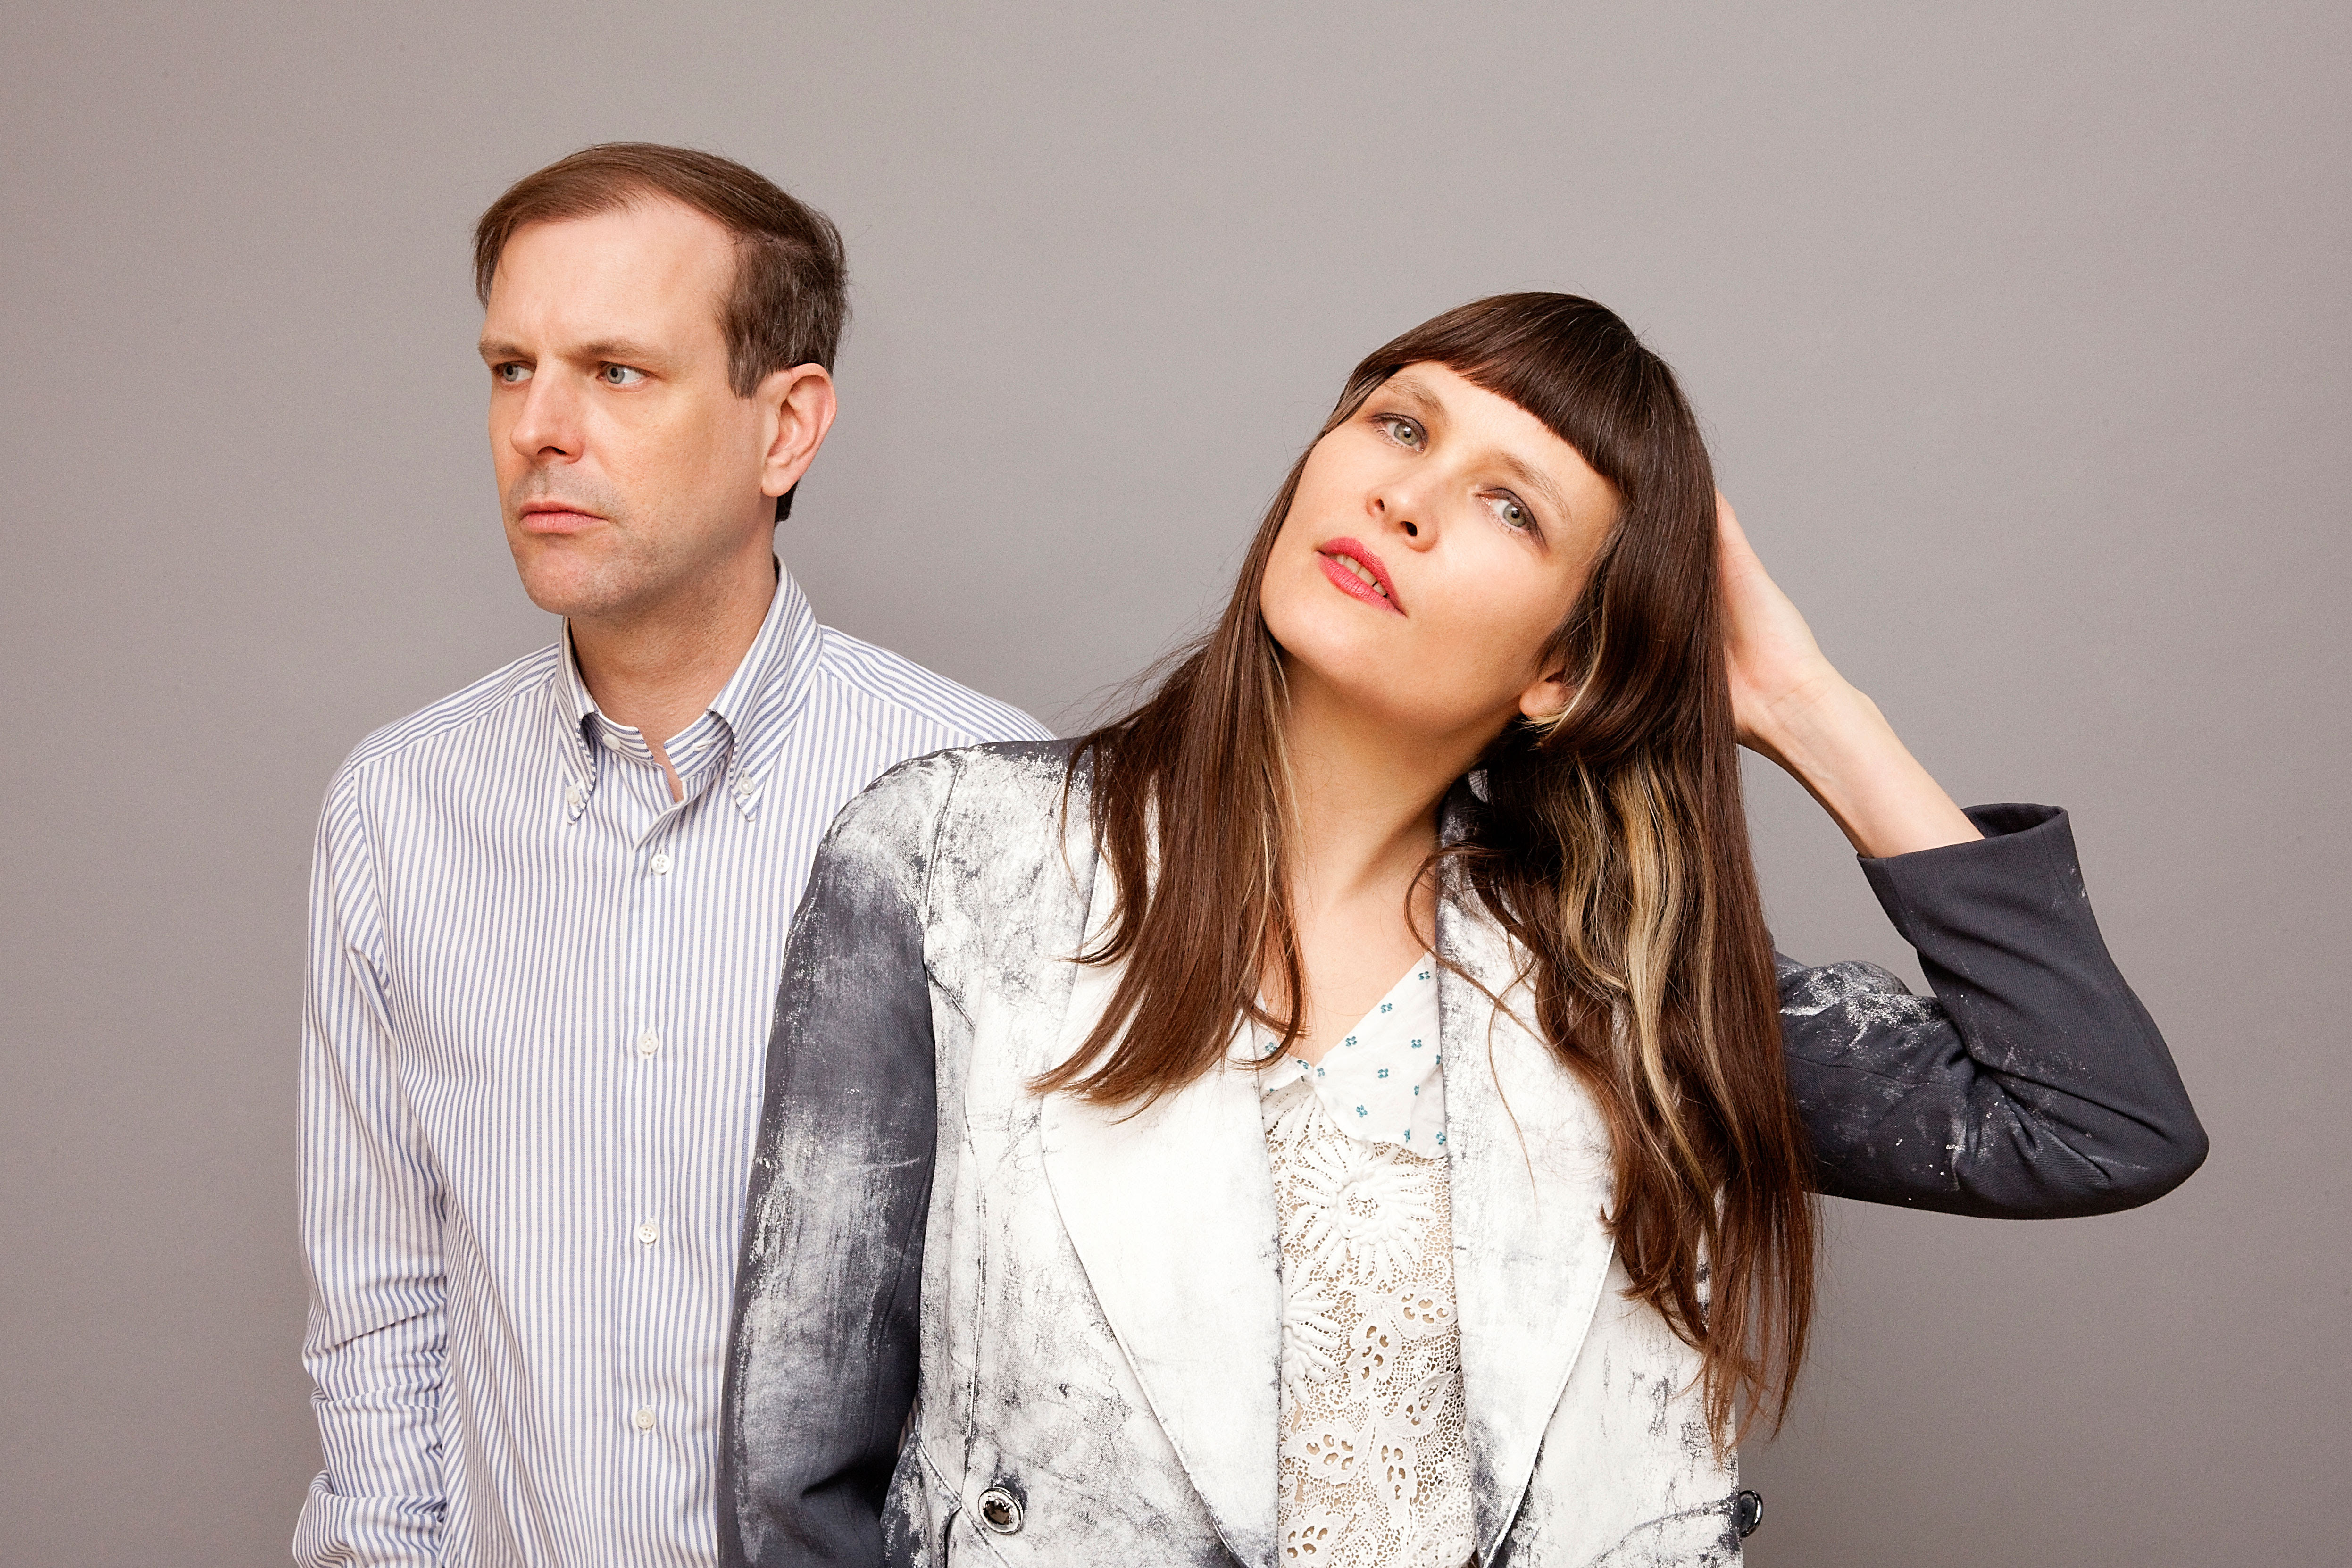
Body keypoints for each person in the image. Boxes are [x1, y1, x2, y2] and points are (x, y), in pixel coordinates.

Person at [718, 293, 2206, 1567]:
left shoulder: (1622, 981)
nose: (1406, 497)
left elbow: (2093, 1122)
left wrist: (1808, 706)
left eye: (1512, 505)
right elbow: (798, 1467)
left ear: (1561, 669)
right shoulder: (951, 855)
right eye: (1399, 424)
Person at [294, 144, 1051, 1567]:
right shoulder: (396, 813)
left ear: (787, 427)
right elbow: (382, 1308)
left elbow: (1048, 1350)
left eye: (617, 371)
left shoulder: (994, 806)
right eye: (510, 369)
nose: (539, 428)